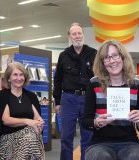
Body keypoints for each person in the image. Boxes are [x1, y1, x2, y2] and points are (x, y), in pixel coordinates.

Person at [83, 39, 139, 160]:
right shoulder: (94, 83)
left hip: (129, 142)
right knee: (101, 157)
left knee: (136, 157)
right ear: (102, 62)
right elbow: (85, 121)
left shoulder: (137, 85)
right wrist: (97, 122)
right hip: (99, 142)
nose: (112, 61)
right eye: (106, 58)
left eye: (115, 56)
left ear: (123, 58)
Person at [53, 22, 97, 160]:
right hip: (68, 99)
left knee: (88, 137)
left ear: (83, 35)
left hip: (88, 99)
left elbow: (99, 79)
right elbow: (58, 80)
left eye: (79, 33)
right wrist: (58, 102)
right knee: (66, 137)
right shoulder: (63, 55)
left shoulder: (93, 53)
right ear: (69, 36)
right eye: (74, 34)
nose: (77, 36)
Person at [0, 62, 45, 160]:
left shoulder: (31, 96)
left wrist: (40, 123)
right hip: (8, 139)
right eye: (15, 75)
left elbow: (37, 118)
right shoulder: (2, 96)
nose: (19, 78)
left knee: (30, 136)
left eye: (21, 75)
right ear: (8, 78)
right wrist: (27, 121)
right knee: (29, 137)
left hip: (30, 138)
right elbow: (6, 120)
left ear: (25, 77)